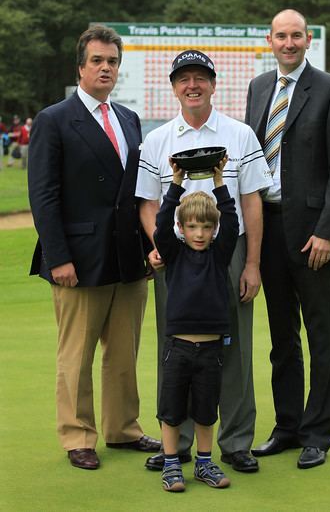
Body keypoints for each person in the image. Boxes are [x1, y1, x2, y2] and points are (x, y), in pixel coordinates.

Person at [28, 25, 160, 470]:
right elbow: (44, 196)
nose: (106, 68)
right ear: (80, 67)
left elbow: (138, 191)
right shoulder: (53, 120)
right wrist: (58, 256)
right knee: (76, 356)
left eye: (113, 62)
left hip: (129, 257)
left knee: (124, 353)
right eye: (98, 61)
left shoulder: (128, 118)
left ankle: (123, 429)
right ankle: (77, 436)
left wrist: (148, 248)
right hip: (78, 260)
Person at [136, 49, 272, 473]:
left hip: (226, 255)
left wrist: (252, 264)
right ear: (174, 87)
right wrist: (156, 244)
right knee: (175, 349)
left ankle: (234, 442)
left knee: (232, 347)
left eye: (200, 78)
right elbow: (148, 202)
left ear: (213, 84)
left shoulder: (240, 134)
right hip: (175, 258)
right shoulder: (157, 140)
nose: (192, 85)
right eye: (184, 79)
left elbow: (251, 203)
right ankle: (177, 444)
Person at [246, 9, 330, 469]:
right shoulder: (257, 89)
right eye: (280, 36)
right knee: (281, 337)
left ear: (308, 39)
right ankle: (288, 426)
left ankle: (318, 434)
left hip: (312, 234)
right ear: (269, 40)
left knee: (320, 335)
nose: (288, 43)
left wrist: (328, 230)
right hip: (266, 230)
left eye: (296, 36)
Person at [154, 157, 239, 492]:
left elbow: (231, 222)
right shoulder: (173, 254)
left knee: (206, 411)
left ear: (213, 229)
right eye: (192, 227)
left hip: (211, 349)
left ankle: (205, 462)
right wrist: (175, 184)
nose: (200, 234)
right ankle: (172, 464)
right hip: (178, 348)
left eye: (206, 227)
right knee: (172, 410)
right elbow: (161, 226)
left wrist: (219, 183)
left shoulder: (219, 254)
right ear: (182, 229)